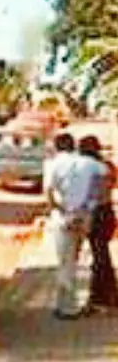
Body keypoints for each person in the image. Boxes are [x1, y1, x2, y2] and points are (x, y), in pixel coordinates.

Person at [44, 131, 101, 318]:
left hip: (63, 216)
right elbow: (104, 176)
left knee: (64, 261)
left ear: (56, 146)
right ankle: (71, 302)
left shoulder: (53, 164)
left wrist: (56, 208)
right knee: (75, 258)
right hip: (84, 215)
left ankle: (67, 307)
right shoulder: (85, 163)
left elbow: (49, 191)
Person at [79, 136, 118, 311]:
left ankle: (108, 295)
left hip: (96, 214)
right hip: (107, 213)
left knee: (100, 257)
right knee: (99, 255)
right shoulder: (107, 166)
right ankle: (99, 294)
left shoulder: (88, 170)